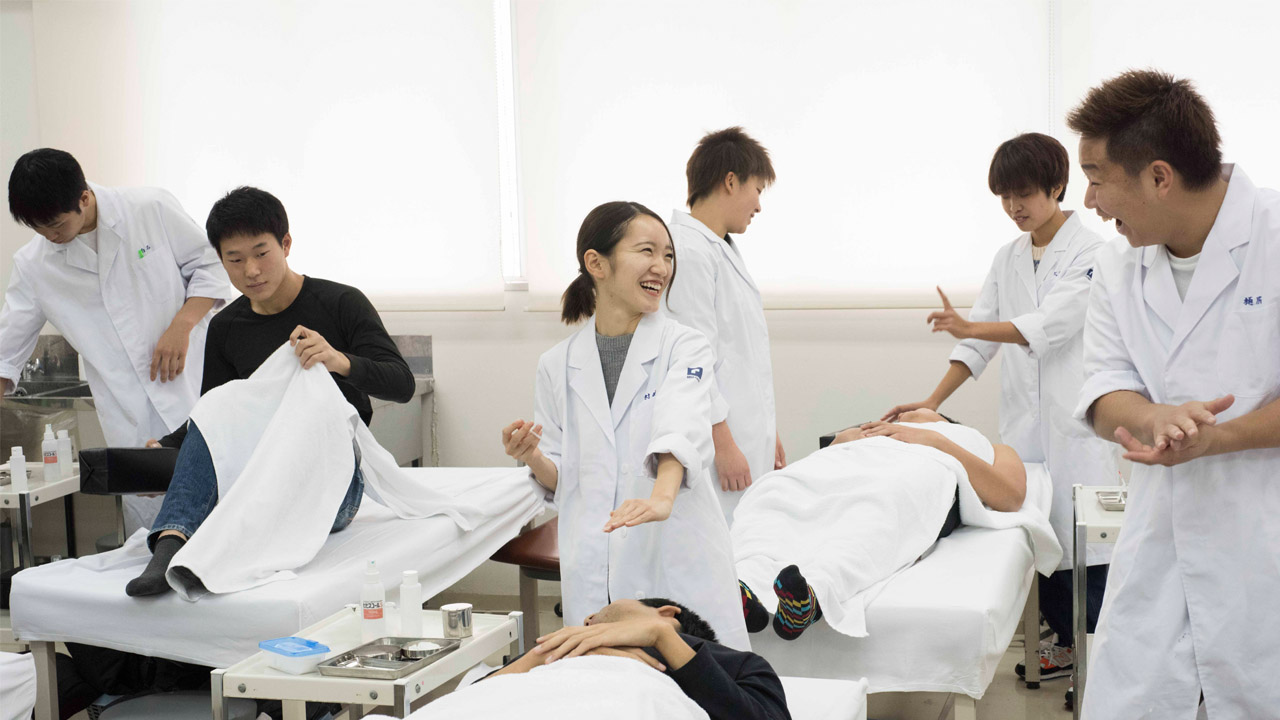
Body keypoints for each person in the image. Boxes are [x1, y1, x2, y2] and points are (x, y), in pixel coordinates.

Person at [1069, 69, 1280, 719]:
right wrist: (1153, 417)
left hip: (1263, 536)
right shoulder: (1116, 264)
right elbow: (1104, 386)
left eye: (1097, 176)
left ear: (1159, 177)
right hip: (1157, 540)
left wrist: (1220, 438)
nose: (1088, 200)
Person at [884, 133, 1117, 680]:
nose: (1014, 206)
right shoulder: (1008, 257)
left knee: (1087, 547)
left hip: (1076, 425)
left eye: (1024, 193)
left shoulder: (1094, 253)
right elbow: (979, 343)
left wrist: (971, 327)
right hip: (1026, 429)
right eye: (1005, 196)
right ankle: (1065, 647)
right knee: (1040, 535)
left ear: (1057, 187)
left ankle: (1099, 658)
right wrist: (933, 401)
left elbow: (1049, 326)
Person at [125, 186, 414, 596]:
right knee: (225, 402)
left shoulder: (341, 303)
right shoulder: (226, 326)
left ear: (286, 244)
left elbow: (401, 383)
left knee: (306, 396)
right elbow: (216, 413)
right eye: (235, 260)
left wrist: (338, 361)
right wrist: (166, 449)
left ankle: (206, 555)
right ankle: (170, 546)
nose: (251, 271)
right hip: (261, 473)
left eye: (261, 253)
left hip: (332, 478)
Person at [501, 201, 748, 650]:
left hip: (674, 549)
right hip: (594, 560)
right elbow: (561, 476)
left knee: (696, 674)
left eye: (668, 255)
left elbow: (681, 424)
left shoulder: (685, 347)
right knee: (609, 676)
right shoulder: (556, 364)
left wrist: (661, 498)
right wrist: (532, 456)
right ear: (596, 264)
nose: (662, 267)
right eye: (647, 251)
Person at [1, 149, 230, 533]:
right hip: (129, 417)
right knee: (152, 534)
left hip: (194, 387)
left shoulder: (150, 208)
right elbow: (7, 349)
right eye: (39, 230)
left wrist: (182, 325)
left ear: (84, 198)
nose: (50, 237)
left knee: (224, 515)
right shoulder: (34, 265)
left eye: (55, 225)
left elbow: (212, 266)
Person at [733, 409, 1036, 641]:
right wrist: (847, 439)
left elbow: (1010, 496)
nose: (902, 416)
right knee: (780, 496)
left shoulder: (978, 442)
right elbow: (827, 456)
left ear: (944, 419)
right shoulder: (871, 431)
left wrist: (933, 440)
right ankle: (744, 581)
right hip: (839, 467)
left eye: (914, 413)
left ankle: (812, 597)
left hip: (909, 472)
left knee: (872, 513)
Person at [664, 127, 783, 526]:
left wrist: (768, 430)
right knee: (723, 540)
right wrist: (723, 444)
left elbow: (742, 356)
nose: (759, 206)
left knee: (748, 536)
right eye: (758, 190)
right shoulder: (688, 251)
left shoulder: (718, 246)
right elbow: (695, 360)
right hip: (718, 443)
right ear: (731, 181)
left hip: (743, 434)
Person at [486, 597, 790, 720]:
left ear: (666, 613)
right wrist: (542, 656)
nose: (588, 620)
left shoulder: (739, 664)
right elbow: (478, 694)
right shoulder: (561, 646)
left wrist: (662, 637)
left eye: (601, 611)